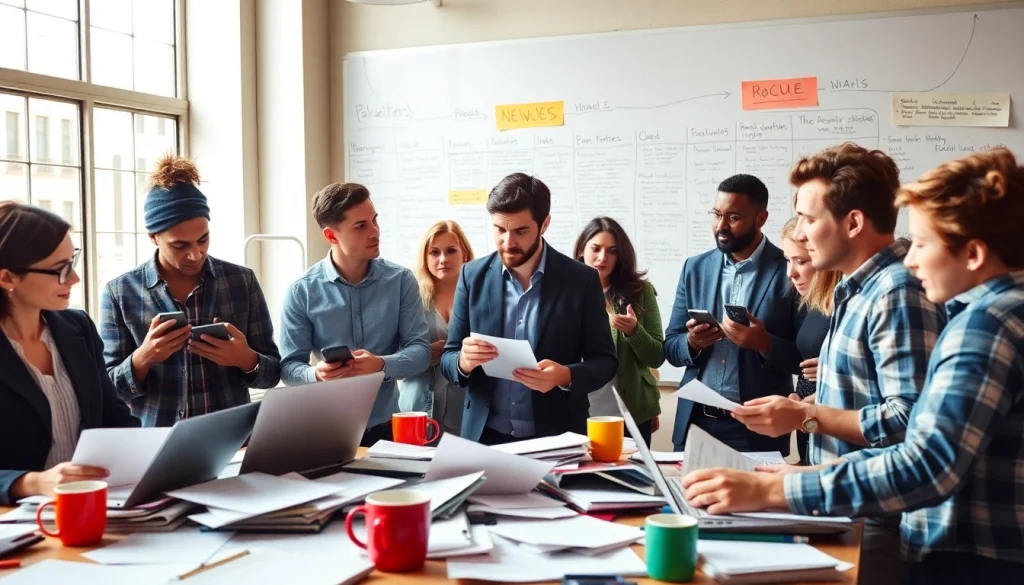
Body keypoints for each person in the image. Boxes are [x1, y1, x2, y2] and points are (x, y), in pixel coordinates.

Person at [682, 147, 1024, 584]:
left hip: (968, 558)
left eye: (921, 243)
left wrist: (778, 484)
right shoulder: (975, 311)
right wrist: (808, 467)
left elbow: (926, 458)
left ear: (973, 254)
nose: (913, 259)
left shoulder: (984, 323)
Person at [726, 143, 945, 585]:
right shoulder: (853, 290)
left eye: (809, 219)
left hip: (877, 524)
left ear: (853, 222)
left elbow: (911, 421)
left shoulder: (896, 292)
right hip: (840, 510)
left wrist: (806, 416)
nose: (800, 234)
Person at [101, 155, 281, 428]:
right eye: (180, 245)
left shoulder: (241, 281)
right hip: (157, 446)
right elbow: (108, 391)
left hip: (231, 439)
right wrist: (144, 357)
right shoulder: (121, 292)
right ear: (153, 237)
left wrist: (245, 359)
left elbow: (272, 374)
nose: (195, 254)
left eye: (203, 239)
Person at [440, 173, 617, 445]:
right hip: (484, 438)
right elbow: (448, 358)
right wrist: (463, 361)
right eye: (499, 229)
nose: (508, 243)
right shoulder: (471, 276)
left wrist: (565, 376)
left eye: (520, 231)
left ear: (544, 224)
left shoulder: (582, 280)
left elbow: (605, 362)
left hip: (557, 437)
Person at [1, 203, 140, 505]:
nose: (74, 278)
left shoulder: (77, 327)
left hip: (94, 506)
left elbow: (115, 420)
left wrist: (163, 455)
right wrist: (33, 482)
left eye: (72, 261)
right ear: (7, 278)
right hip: (17, 522)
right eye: (60, 269)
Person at [280, 182, 430, 446]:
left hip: (386, 429)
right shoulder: (301, 292)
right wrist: (317, 374)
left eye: (374, 221)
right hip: (326, 433)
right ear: (331, 235)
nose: (375, 232)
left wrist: (381, 365)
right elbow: (289, 367)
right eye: (361, 226)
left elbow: (420, 351)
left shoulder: (401, 281)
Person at [663, 174, 803, 455]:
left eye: (734, 217)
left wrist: (764, 343)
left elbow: (805, 359)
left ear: (761, 218)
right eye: (716, 215)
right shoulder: (695, 268)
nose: (721, 226)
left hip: (757, 429)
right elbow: (671, 347)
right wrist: (692, 342)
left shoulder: (791, 270)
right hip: (696, 422)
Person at [573, 216, 664, 446]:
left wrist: (635, 332)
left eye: (612, 251)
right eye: (596, 248)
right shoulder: (564, 292)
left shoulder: (640, 292)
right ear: (582, 249)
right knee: (583, 481)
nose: (603, 258)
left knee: (632, 480)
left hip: (630, 415)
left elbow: (657, 356)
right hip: (579, 414)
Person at [399, 220, 476, 437]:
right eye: (434, 252)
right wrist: (423, 354)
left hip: (465, 408)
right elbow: (391, 357)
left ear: (465, 254)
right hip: (416, 409)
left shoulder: (479, 298)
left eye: (451, 251)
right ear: (425, 257)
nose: (443, 259)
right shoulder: (409, 298)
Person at [775, 216, 842, 462]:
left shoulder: (846, 303)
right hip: (810, 422)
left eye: (801, 261)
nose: (791, 273)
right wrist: (797, 398)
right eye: (787, 260)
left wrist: (831, 372)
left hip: (836, 428)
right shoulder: (813, 301)